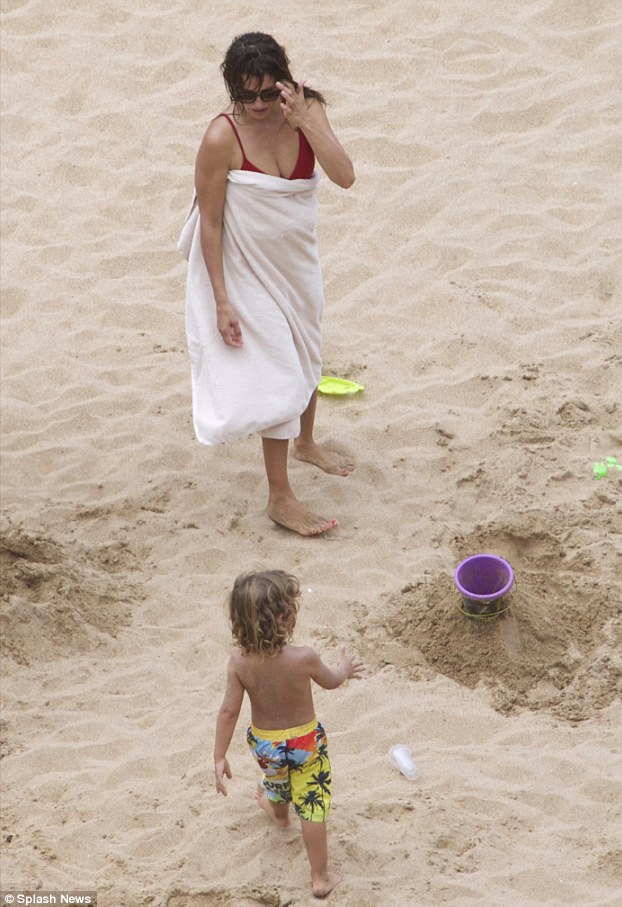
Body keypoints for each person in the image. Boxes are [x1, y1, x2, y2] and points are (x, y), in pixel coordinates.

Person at [183, 32, 355, 537]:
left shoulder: (306, 109)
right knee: (279, 368)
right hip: (243, 268)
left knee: (308, 349)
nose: (258, 106)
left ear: (283, 81)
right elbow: (210, 223)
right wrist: (221, 300)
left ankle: (306, 443)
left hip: (296, 262)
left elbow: (344, 175)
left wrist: (304, 120)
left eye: (266, 94)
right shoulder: (221, 138)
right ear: (233, 91)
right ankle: (280, 497)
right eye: (246, 95)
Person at [213, 570, 364, 898]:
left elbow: (229, 711)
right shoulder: (303, 657)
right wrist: (346, 669)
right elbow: (332, 680)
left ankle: (279, 814)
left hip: (265, 745)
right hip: (306, 743)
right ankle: (321, 878)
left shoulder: (239, 662)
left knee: (277, 782)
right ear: (283, 617)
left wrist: (219, 755)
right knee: (311, 804)